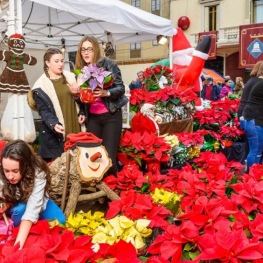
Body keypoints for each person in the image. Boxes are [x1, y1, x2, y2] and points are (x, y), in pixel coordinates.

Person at [75, 36, 128, 176]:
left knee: (109, 159)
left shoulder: (108, 64)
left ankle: (115, 193)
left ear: (96, 50)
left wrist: (106, 92)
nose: (86, 52)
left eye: (89, 49)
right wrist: (81, 112)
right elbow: (82, 99)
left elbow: (121, 88)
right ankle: (99, 193)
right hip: (93, 119)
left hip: (111, 116)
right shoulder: (81, 71)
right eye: (83, 49)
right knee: (95, 157)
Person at [0, 140, 66, 249]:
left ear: (26, 166)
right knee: (20, 211)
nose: (10, 176)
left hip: (37, 200)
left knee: (60, 222)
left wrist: (17, 248)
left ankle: (26, 230)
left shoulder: (38, 173)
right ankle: (17, 231)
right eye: (6, 171)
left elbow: (32, 209)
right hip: (14, 202)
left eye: (15, 171)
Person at [30, 48, 86, 162]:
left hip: (75, 126)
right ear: (47, 63)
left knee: (78, 165)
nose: (60, 64)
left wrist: (82, 111)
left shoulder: (71, 77)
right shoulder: (40, 86)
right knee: (61, 168)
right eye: (56, 61)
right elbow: (43, 110)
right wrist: (54, 124)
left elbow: (81, 100)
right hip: (58, 132)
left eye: (62, 60)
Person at [241, 62, 263, 170]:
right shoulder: (261, 83)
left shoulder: (258, 82)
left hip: (253, 119)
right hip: (254, 120)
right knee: (256, 151)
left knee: (256, 150)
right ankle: (252, 177)